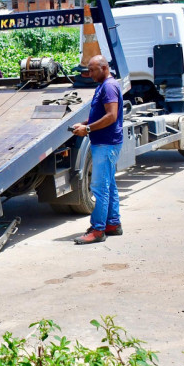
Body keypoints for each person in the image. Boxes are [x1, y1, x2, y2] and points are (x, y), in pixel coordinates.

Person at [70, 55, 123, 245]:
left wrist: (89, 129)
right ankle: (112, 223)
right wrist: (84, 124)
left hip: (106, 144)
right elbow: (101, 114)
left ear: (104, 68)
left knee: (99, 188)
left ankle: (98, 229)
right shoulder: (103, 85)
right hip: (105, 142)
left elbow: (111, 116)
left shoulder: (108, 86)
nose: (89, 74)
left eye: (92, 70)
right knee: (109, 185)